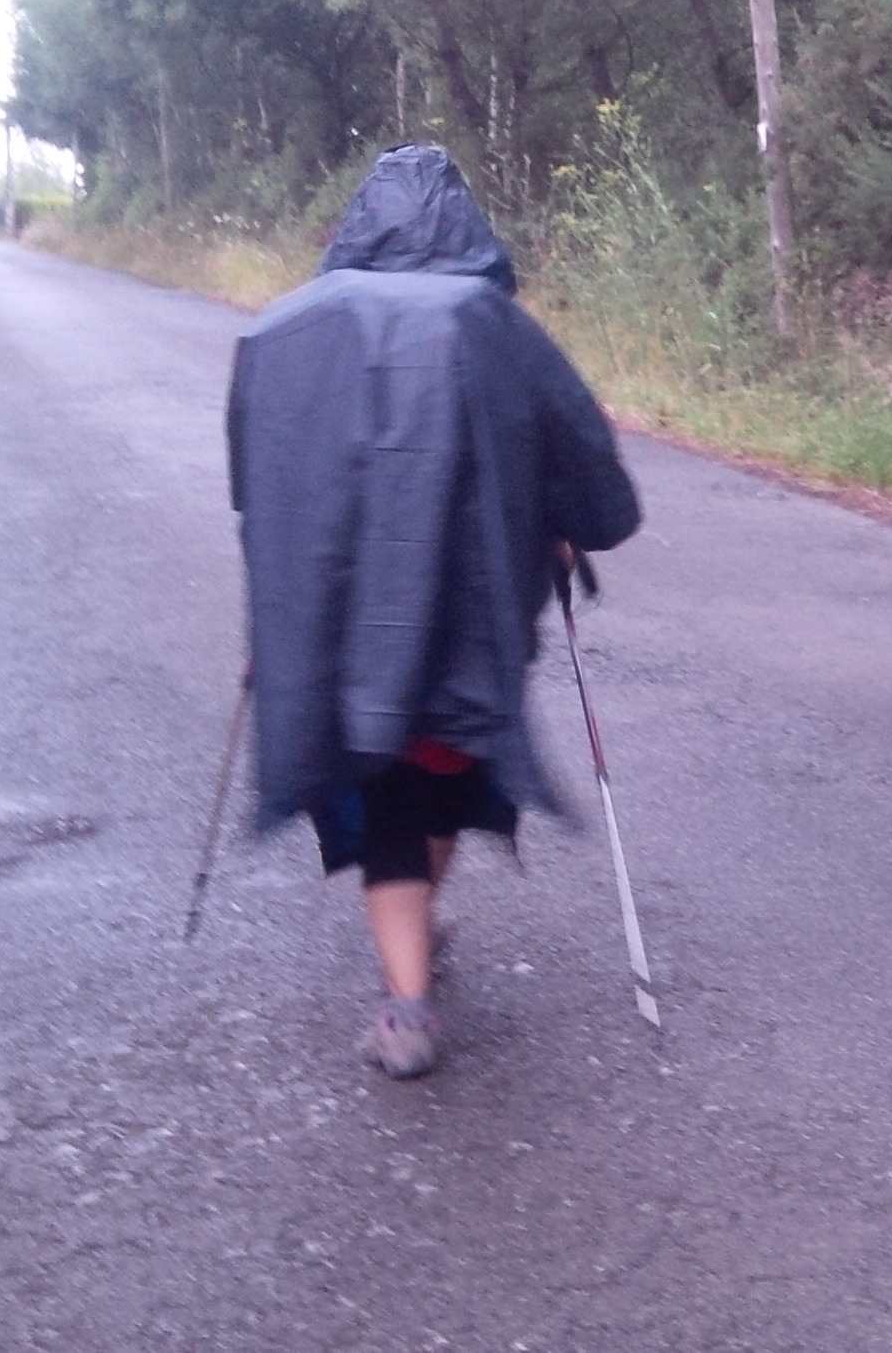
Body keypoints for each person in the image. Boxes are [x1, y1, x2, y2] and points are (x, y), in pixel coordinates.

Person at [229, 144, 642, 1078]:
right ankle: (413, 954)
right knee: (441, 772)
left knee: (383, 791)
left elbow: (257, 490)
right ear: (467, 228)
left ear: (356, 226)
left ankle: (407, 1002)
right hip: (472, 622)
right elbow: (593, 481)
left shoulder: (281, 331)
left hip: (334, 619)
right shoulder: (498, 327)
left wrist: (270, 608)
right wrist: (569, 529)